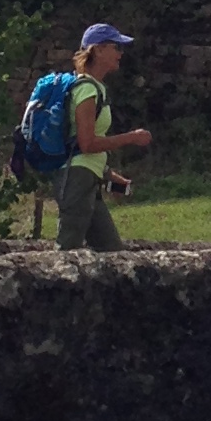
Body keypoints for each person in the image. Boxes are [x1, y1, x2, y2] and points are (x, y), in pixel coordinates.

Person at [57, 20, 152, 252]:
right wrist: (131, 137)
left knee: (112, 252)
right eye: (116, 47)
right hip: (78, 180)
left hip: (87, 178)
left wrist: (108, 175)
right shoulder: (87, 89)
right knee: (67, 252)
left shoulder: (94, 87)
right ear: (98, 50)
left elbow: (82, 147)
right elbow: (87, 144)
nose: (121, 53)